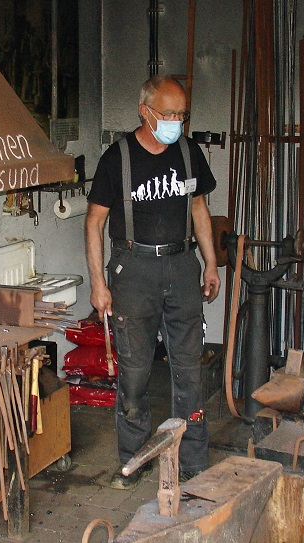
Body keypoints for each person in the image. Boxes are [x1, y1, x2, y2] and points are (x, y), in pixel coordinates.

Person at [85, 75, 220, 490]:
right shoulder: (117, 158)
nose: (176, 121)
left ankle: (193, 459)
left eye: (182, 114)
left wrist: (210, 262)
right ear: (145, 112)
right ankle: (134, 459)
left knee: (188, 371)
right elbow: (94, 223)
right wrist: (97, 283)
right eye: (169, 114)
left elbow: (199, 206)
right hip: (133, 269)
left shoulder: (188, 151)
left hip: (180, 266)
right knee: (136, 372)